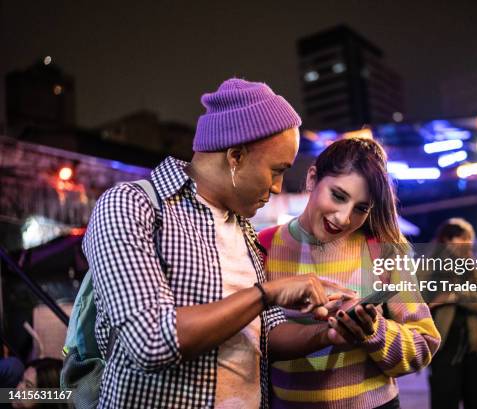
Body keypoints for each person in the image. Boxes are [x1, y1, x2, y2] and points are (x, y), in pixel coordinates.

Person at [84, 78, 355, 408]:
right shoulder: (130, 205)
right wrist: (266, 293)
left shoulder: (243, 228)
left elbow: (264, 335)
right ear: (236, 156)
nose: (278, 188)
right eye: (277, 170)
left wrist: (329, 333)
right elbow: (149, 340)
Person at [259, 137, 441, 409]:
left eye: (361, 208)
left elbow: (424, 345)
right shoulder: (263, 246)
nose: (344, 218)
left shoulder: (382, 251)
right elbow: (250, 343)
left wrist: (373, 330)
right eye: (338, 195)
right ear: (312, 178)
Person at [420, 218, 477, 409]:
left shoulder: (471, 268)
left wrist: (454, 296)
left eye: (469, 239)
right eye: (463, 238)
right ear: (447, 240)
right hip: (442, 349)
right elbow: (421, 303)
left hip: (471, 348)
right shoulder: (428, 267)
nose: (468, 243)